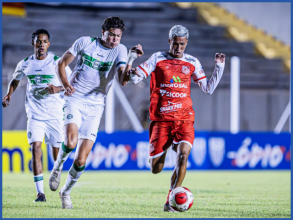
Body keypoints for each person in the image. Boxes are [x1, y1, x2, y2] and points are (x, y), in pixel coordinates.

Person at [121, 25, 225, 212]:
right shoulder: (157, 59)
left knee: (183, 157)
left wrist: (219, 67)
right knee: (156, 168)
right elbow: (133, 79)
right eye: (175, 44)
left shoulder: (192, 62)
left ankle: (171, 199)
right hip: (161, 121)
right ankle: (165, 148)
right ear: (169, 41)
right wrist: (131, 59)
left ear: (186, 43)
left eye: (182, 45)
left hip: (184, 119)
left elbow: (208, 88)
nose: (178, 48)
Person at [49, 16, 143, 209]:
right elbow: (61, 64)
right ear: (103, 32)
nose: (115, 39)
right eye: (111, 35)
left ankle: (65, 192)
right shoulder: (85, 42)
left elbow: (123, 80)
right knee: (70, 142)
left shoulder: (120, 50)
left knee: (81, 159)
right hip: (74, 99)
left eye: (118, 36)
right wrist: (66, 85)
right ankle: (57, 167)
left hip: (96, 106)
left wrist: (131, 59)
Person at [2, 28, 72, 202]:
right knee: (36, 148)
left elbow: (71, 84)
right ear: (33, 43)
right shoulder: (25, 63)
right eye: (38, 41)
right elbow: (15, 79)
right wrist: (9, 93)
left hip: (55, 114)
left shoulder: (57, 62)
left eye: (44, 41)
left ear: (49, 44)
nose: (41, 45)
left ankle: (56, 175)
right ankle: (40, 194)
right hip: (34, 113)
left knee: (57, 154)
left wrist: (57, 88)